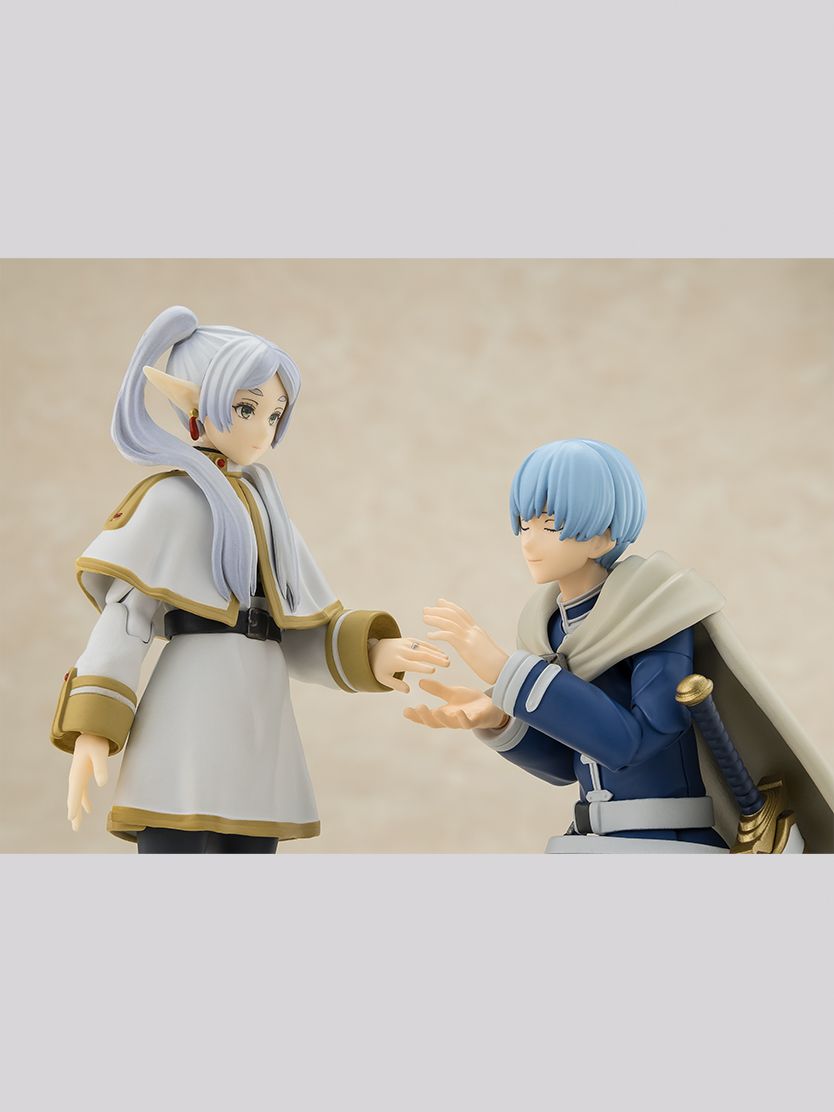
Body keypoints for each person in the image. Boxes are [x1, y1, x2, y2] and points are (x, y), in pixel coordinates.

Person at [51, 305, 448, 853]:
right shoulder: (170, 500)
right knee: (179, 834)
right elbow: (126, 621)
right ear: (197, 408)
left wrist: (373, 652)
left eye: (275, 414)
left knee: (250, 845)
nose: (264, 429)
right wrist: (93, 727)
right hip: (191, 703)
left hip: (261, 713)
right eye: (247, 408)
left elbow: (297, 620)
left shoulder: (266, 507)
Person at [404, 438, 833, 853]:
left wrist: (505, 671)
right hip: (589, 840)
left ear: (602, 537)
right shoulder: (550, 630)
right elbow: (566, 763)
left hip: (666, 843)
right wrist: (500, 717)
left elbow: (631, 743)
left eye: (551, 526)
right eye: (525, 524)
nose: (529, 541)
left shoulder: (653, 615)